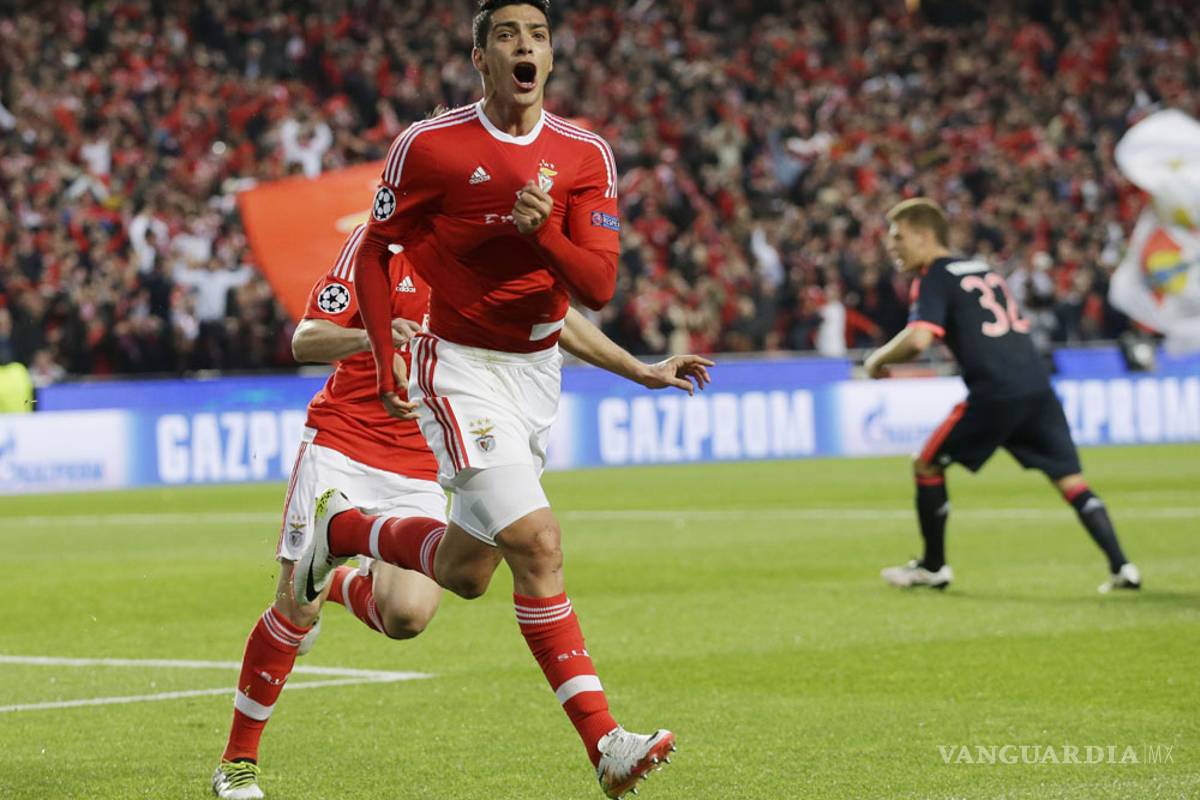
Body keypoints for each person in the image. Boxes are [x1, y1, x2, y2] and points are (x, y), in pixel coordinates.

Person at [298, 2, 680, 797]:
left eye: (537, 35)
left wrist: (548, 242)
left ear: (552, 54)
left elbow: (599, 286)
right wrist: (384, 353)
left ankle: (344, 530)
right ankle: (606, 743)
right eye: (508, 35)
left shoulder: (586, 154)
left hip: (537, 375)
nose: (525, 47)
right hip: (460, 366)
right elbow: (375, 252)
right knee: (538, 544)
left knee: (469, 574)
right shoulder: (429, 147)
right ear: (480, 57)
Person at [212, 224, 712, 800]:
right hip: (343, 446)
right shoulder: (380, 249)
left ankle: (338, 563)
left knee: (407, 616)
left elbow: (555, 316)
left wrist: (638, 368)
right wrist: (374, 335)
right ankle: (238, 761)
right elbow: (307, 339)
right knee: (294, 609)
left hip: (422, 461)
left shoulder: (482, 249)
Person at [864, 198, 1140, 594]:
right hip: (1036, 387)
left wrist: (877, 360)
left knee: (926, 464)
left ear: (925, 236)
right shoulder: (981, 268)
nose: (891, 246)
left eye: (898, 237)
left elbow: (920, 338)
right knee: (1069, 479)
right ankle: (1123, 568)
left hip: (996, 392)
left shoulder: (935, 276)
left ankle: (933, 567)